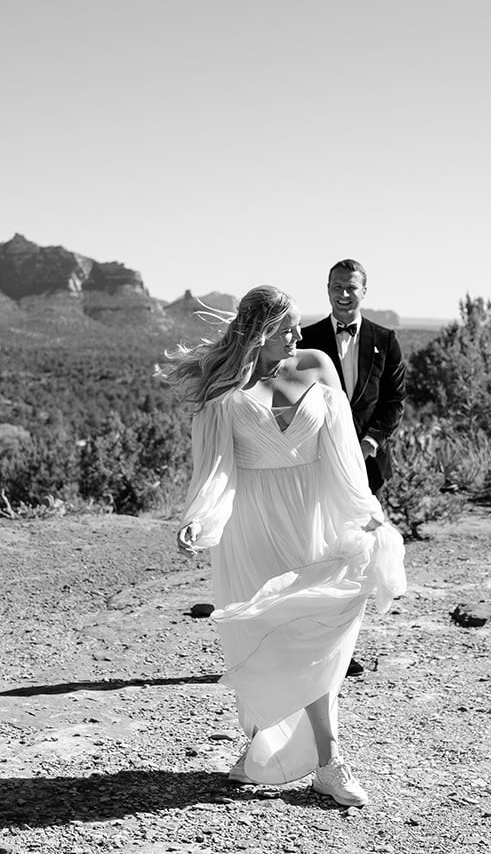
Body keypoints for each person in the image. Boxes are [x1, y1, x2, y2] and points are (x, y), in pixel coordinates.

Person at [161, 285, 406, 807]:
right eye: (287, 327)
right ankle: (263, 748)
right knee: (264, 637)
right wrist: (200, 521)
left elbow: (342, 450)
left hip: (311, 519)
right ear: (260, 331)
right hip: (252, 526)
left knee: (314, 634)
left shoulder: (317, 364)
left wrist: (364, 515)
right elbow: (216, 468)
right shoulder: (224, 390)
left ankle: (329, 763)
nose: (300, 335)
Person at [297, 259, 406, 496]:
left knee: (368, 530)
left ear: (364, 291)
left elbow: (395, 399)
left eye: (351, 287)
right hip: (319, 460)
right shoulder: (305, 340)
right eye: (337, 287)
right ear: (327, 289)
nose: (343, 294)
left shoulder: (386, 340)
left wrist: (371, 442)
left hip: (369, 463)